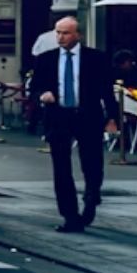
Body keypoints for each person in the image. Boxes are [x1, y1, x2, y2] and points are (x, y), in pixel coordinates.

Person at [31, 16, 120, 233]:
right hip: (59, 117)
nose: (60, 37)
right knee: (61, 167)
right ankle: (69, 216)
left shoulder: (96, 58)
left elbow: (106, 91)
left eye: (65, 33)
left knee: (91, 163)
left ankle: (91, 197)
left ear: (77, 35)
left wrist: (113, 118)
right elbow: (33, 88)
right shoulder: (46, 59)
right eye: (58, 32)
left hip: (87, 115)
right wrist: (42, 95)